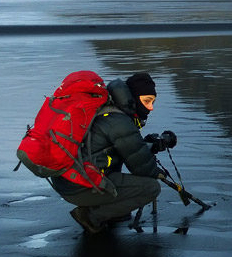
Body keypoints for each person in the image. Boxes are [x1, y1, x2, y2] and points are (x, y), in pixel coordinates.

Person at [51, 71, 165, 233]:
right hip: (77, 187)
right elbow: (142, 168)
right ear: (134, 96)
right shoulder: (119, 121)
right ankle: (91, 216)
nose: (150, 108)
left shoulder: (106, 107)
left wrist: (147, 145)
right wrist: (157, 172)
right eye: (147, 101)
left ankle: (108, 210)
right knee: (151, 188)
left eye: (152, 102)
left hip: (66, 179)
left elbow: (127, 148)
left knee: (113, 163)